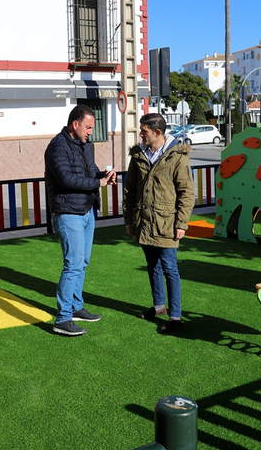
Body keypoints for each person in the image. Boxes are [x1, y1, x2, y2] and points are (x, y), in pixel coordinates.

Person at [44, 105, 116, 336]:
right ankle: (63, 318)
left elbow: (91, 171)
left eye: (92, 128)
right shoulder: (57, 146)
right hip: (67, 212)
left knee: (82, 262)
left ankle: (75, 307)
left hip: (86, 211)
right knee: (73, 264)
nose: (90, 132)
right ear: (75, 124)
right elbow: (65, 179)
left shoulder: (84, 145)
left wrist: (103, 176)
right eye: (88, 127)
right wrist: (98, 184)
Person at [123, 113, 195, 334]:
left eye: (144, 131)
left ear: (157, 133)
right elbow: (130, 190)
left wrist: (181, 223)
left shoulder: (177, 155)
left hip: (167, 223)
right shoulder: (138, 155)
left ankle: (175, 317)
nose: (140, 135)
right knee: (152, 266)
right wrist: (128, 219)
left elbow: (187, 192)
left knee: (170, 268)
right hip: (143, 221)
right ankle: (159, 306)